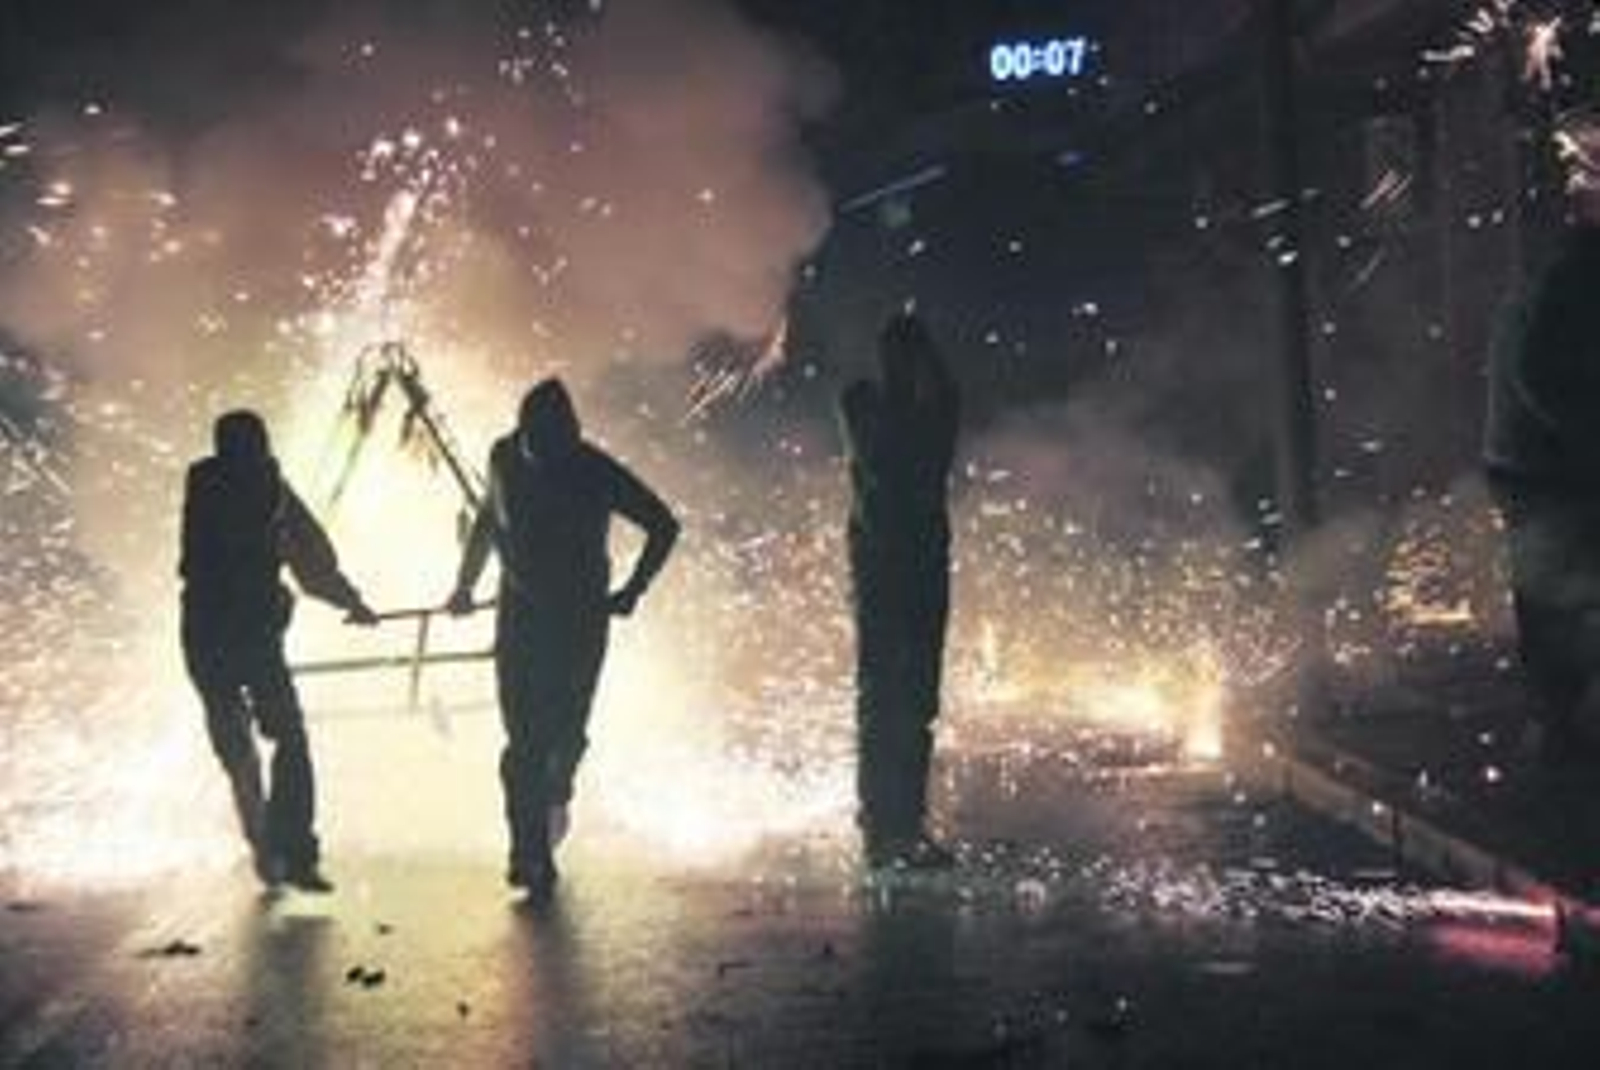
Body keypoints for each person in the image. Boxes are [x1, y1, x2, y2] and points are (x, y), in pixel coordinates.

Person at [448, 378, 679, 899]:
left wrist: (633, 591)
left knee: (566, 738)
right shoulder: (504, 457)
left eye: (555, 448)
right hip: (522, 622)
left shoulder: (592, 470)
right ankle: (527, 851)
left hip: (578, 622)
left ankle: (554, 801)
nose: (545, 459)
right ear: (522, 432)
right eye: (537, 447)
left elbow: (663, 524)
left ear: (570, 437)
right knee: (524, 743)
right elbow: (489, 519)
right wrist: (464, 583)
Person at [181, 410, 377, 891]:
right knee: (280, 738)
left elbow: (304, 558)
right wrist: (349, 599)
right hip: (242, 636)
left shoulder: (208, 484)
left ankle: (274, 851)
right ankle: (289, 852)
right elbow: (309, 560)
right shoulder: (264, 492)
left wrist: (345, 597)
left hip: (212, 635)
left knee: (243, 748)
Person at [1487, 127, 1600, 766]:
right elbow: (1542, 373)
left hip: (1539, 465)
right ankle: (1556, 742)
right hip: (1548, 472)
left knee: (1558, 599)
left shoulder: (1564, 269)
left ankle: (1559, 732)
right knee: (1559, 599)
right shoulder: (1575, 276)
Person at [839, 312, 960, 869]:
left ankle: (901, 825)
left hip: (914, 573)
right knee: (886, 701)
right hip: (890, 575)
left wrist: (924, 354)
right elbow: (881, 449)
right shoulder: (872, 407)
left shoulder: (921, 413)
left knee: (912, 703)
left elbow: (948, 400)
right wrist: (925, 356)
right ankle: (882, 826)